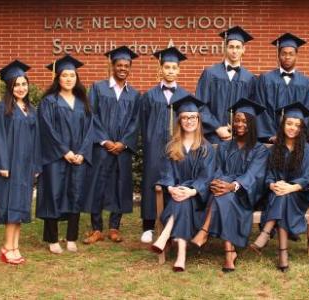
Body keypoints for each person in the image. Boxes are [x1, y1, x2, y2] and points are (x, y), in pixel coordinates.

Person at [191, 98, 269, 272]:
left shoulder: (260, 150)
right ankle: (229, 253)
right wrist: (219, 183)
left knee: (224, 194)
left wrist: (233, 186)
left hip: (247, 193)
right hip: (223, 191)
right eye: (237, 120)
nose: (240, 124)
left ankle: (204, 232)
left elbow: (254, 176)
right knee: (223, 195)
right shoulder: (225, 146)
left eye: (244, 121)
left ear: (252, 125)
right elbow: (218, 169)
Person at [0, 60, 41, 265]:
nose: (21, 88)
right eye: (16, 84)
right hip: (9, 166)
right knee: (10, 206)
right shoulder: (0, 109)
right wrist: (1, 164)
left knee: (21, 206)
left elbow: (36, 140)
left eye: (24, 84)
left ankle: (15, 246)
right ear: (9, 87)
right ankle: (7, 247)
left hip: (25, 166)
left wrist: (35, 165)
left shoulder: (31, 109)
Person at [250, 102, 309, 272]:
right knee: (282, 197)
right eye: (289, 123)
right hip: (276, 194)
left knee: (285, 197)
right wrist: (273, 184)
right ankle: (283, 255)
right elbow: (267, 176)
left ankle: (266, 233)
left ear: (302, 128)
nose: (293, 128)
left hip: (299, 195)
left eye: (297, 125)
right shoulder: (275, 150)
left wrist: (291, 187)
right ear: (283, 125)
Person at [81, 46, 141, 245]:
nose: (123, 68)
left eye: (126, 65)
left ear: (130, 68)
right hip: (101, 148)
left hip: (122, 150)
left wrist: (123, 143)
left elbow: (135, 121)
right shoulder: (98, 88)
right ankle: (97, 228)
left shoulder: (134, 94)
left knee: (120, 184)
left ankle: (114, 227)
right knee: (97, 184)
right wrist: (105, 141)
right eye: (119, 65)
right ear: (112, 66)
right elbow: (91, 116)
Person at [150, 95, 216, 272]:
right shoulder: (171, 146)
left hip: (199, 200)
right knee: (182, 201)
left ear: (198, 120)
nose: (189, 121)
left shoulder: (206, 148)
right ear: (179, 121)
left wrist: (192, 191)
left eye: (193, 117)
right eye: (185, 117)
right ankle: (181, 256)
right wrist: (171, 188)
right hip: (176, 197)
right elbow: (166, 172)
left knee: (185, 200)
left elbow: (207, 176)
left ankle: (165, 235)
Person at [36, 54, 94, 254]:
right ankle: (52, 239)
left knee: (75, 194)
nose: (69, 79)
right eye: (64, 75)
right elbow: (47, 130)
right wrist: (64, 152)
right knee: (53, 193)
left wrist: (82, 153)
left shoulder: (83, 102)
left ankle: (71, 238)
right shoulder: (49, 102)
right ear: (57, 78)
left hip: (78, 158)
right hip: (55, 159)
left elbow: (90, 130)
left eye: (72, 75)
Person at [139, 46, 190, 244]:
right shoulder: (149, 95)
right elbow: (142, 122)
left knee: (175, 182)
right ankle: (148, 226)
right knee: (151, 182)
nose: (170, 71)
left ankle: (172, 222)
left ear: (179, 70)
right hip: (154, 146)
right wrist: (149, 141)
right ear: (160, 69)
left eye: (173, 67)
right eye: (166, 67)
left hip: (177, 145)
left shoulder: (185, 95)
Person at [196, 25, 257, 144]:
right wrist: (217, 127)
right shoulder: (210, 74)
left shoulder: (250, 79)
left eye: (238, 47)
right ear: (225, 48)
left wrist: (238, 129)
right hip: (213, 136)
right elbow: (201, 104)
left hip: (240, 137)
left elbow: (250, 111)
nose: (234, 51)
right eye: (231, 47)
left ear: (244, 49)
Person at [255, 33, 309, 143]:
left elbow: (308, 112)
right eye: (283, 53)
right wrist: (271, 135)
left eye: (291, 54)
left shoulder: (307, 83)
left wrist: (296, 135)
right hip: (271, 140)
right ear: (278, 55)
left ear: (296, 56)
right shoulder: (265, 79)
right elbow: (261, 108)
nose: (287, 57)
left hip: (296, 141)